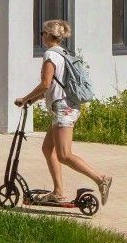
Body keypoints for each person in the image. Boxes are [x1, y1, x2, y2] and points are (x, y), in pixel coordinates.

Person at [14, 20, 112, 205]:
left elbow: (45, 84)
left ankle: (101, 179)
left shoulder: (50, 54)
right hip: (64, 107)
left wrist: (25, 98)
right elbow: (53, 86)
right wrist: (31, 100)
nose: (41, 36)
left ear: (49, 35)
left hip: (63, 109)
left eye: (42, 33)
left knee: (64, 155)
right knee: (47, 148)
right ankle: (58, 192)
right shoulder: (64, 53)